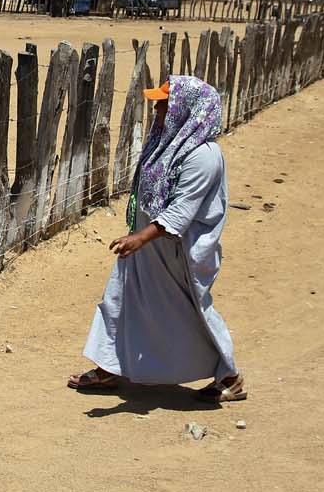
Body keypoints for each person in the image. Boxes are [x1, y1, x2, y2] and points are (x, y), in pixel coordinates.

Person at [68, 75, 245, 402]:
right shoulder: (168, 141)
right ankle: (110, 367)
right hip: (149, 243)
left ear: (187, 109)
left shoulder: (204, 156)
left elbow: (182, 211)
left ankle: (230, 376)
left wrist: (140, 238)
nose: (157, 107)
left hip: (179, 252)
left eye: (165, 103)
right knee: (120, 299)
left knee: (193, 311)